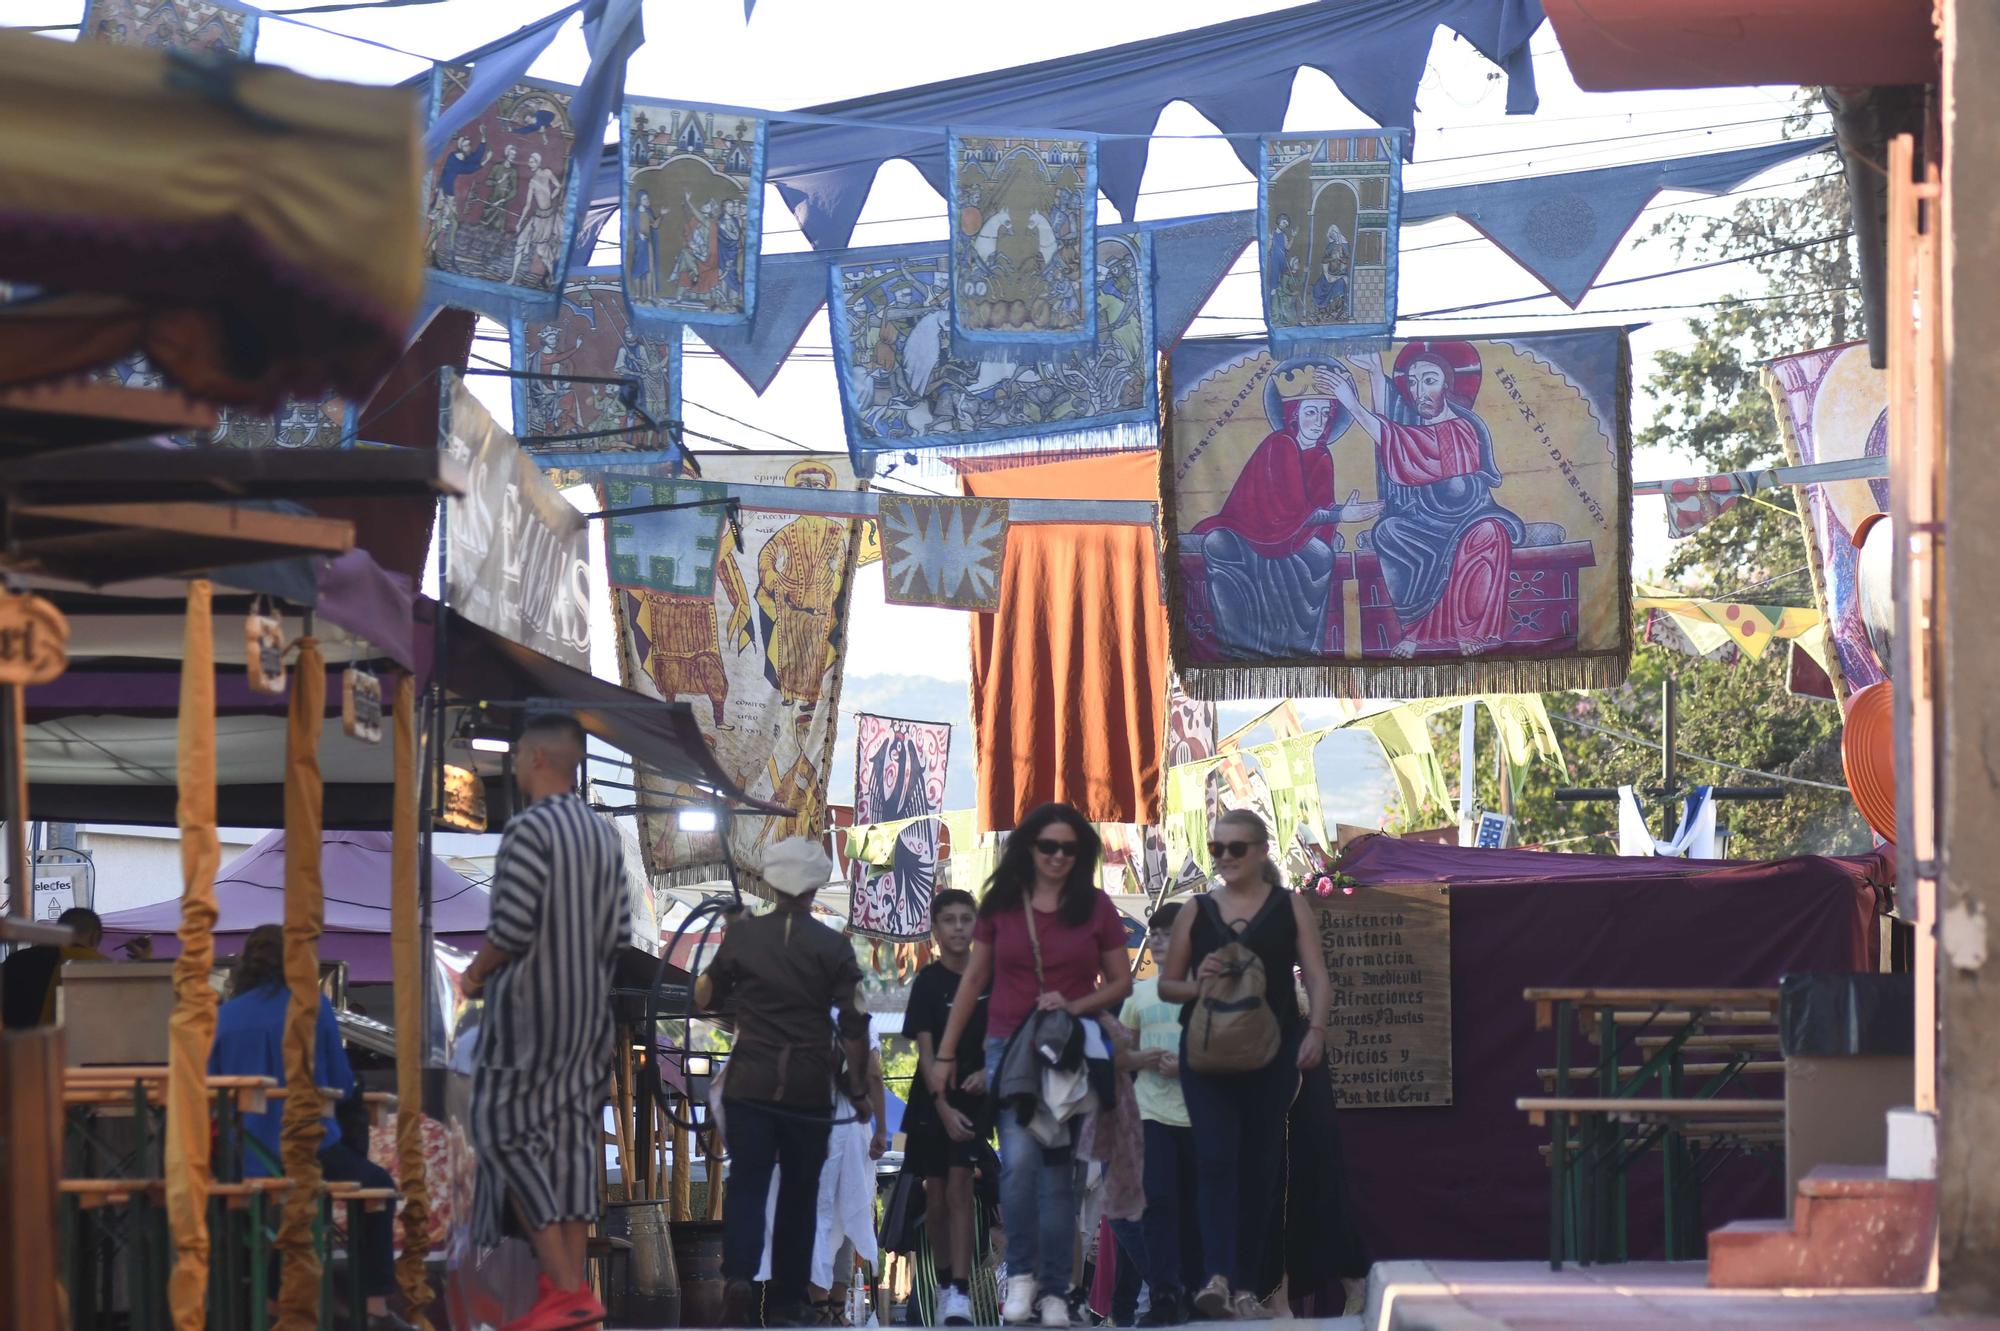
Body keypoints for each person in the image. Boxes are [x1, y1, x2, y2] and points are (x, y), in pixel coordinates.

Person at [933, 804, 1133, 1329]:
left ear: (1082, 852)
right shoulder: (1002, 905)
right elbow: (973, 980)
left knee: (1060, 1176)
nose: (1058, 857)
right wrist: (947, 1055)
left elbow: (1119, 983)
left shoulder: (1095, 907)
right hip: (1011, 1050)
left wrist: (1072, 1004)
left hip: (1066, 1053)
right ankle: (1019, 1277)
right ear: (1029, 848)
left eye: (1069, 848)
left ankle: (1054, 1291)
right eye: (1048, 846)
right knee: (1019, 1163)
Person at [462, 712, 629, 1331]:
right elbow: (617, 932)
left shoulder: (529, 831)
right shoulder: (605, 838)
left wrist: (473, 977)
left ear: (533, 757)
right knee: (570, 1150)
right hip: (591, 1015)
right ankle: (575, 1303)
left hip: (530, 1012)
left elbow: (509, 929)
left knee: (497, 1127)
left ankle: (565, 1290)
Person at [1158, 809, 1330, 1321]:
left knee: (1258, 1170)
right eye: (1218, 850)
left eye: (1237, 848)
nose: (1226, 858)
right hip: (1207, 1055)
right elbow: (1169, 986)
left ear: (1260, 851)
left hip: (1270, 1057)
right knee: (1214, 1163)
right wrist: (1201, 982)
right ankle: (1216, 1277)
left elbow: (1318, 977)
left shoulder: (1289, 907)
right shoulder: (1196, 911)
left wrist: (1316, 1030)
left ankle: (1247, 1287)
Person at [696, 838, 871, 1328]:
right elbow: (855, 1026)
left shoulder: (744, 939)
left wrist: (733, 938)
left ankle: (739, 1280)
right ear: (815, 884)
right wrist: (857, 1092)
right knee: (799, 1192)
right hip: (807, 1088)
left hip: (749, 1083)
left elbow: (705, 998)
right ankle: (791, 1303)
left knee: (748, 1184)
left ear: (771, 882)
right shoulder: (834, 947)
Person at [208, 925, 416, 1330]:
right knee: (377, 1189)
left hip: (242, 1154)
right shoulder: (312, 1007)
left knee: (271, 1209)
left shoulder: (223, 1018)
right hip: (311, 1146)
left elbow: (208, 1092)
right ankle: (373, 1309)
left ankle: (270, 1306)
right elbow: (339, 1084)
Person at [1333, 347, 1526, 658]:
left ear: (1448, 387)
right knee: (1388, 531)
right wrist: (1374, 373)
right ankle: (1416, 629)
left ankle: (1464, 630)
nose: (1418, 391)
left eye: (1429, 381)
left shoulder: (1461, 428)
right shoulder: (1421, 424)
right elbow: (1393, 426)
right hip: (1428, 522)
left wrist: (1352, 404)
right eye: (1412, 382)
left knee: (1488, 535)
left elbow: (1398, 440)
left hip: (1470, 520)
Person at [1190, 361, 1381, 659]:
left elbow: (1316, 510)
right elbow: (1285, 510)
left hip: (1292, 538)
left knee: (1322, 556)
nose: (1318, 421)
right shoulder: (1280, 444)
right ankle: (1240, 647)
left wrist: (1337, 514)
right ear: (1293, 414)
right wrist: (1340, 514)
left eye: (1324, 413)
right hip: (1250, 534)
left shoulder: (1322, 456)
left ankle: (1299, 646)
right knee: (1217, 544)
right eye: (1310, 412)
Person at [901, 889, 990, 1326]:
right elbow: (925, 1051)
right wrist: (941, 1105)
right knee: (934, 1197)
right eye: (949, 920)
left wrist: (990, 1072)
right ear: (935, 931)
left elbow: (1004, 1035)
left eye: (965, 919)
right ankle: (941, 1283)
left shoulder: (989, 979)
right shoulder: (927, 982)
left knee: (961, 1189)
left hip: (977, 1097)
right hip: (931, 1099)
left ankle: (960, 1290)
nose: (958, 927)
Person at [1118, 904, 1203, 1326]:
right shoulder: (1139, 995)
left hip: (1200, 1116)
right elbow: (1122, 1055)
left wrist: (1186, 1066)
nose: (1156, 941)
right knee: (1158, 1202)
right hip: (1151, 1115)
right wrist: (1142, 1057)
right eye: (1153, 934)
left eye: (1166, 934)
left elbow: (1229, 1052)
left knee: (1194, 1205)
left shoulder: (1206, 994)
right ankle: (1165, 1293)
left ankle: (1197, 1289)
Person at [2, 907, 149, 1028]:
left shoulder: (16, 960)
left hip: (14, 1055)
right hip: (71, 1057)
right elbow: (139, 1010)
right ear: (94, 937)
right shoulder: (103, 967)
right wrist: (143, 963)